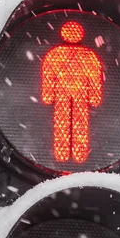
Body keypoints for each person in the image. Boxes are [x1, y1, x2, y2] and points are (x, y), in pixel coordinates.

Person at [41, 20, 103, 163]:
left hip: (62, 92)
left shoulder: (55, 53)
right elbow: (94, 77)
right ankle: (78, 154)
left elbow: (48, 75)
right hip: (80, 92)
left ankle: (63, 153)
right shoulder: (88, 55)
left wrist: (48, 94)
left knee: (62, 122)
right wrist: (94, 96)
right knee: (80, 122)